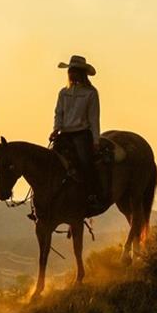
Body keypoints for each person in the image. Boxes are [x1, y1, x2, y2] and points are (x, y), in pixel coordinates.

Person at [51, 55, 102, 208]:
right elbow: (58, 113)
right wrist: (56, 129)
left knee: (86, 163)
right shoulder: (63, 92)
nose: (71, 74)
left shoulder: (91, 93)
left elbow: (94, 118)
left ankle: (92, 194)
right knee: (52, 162)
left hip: (82, 133)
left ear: (81, 73)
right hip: (65, 133)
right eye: (70, 71)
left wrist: (95, 140)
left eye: (75, 71)